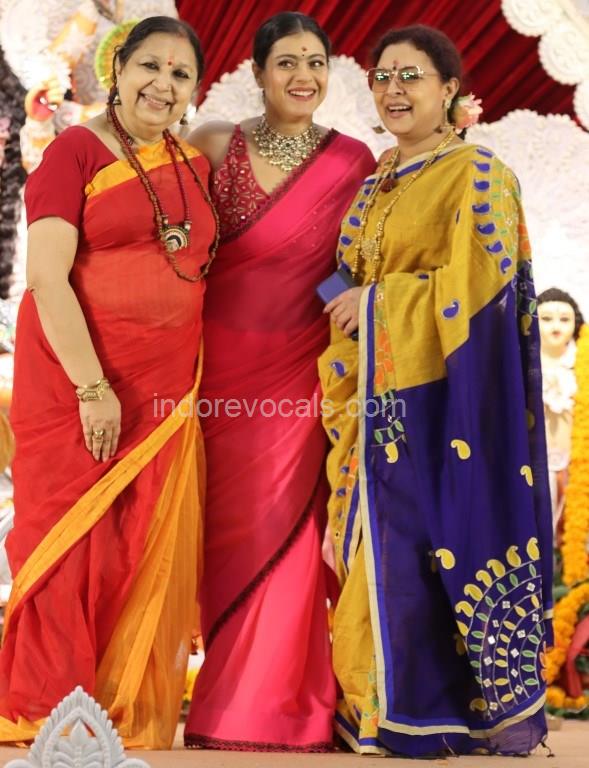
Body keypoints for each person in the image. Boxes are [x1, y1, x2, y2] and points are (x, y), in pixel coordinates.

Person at [319, 24, 553, 756]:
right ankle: (372, 706)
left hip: (445, 399)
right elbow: (348, 275)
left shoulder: (479, 174)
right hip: (373, 391)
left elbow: (482, 290)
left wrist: (379, 304)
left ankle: (429, 710)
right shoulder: (376, 179)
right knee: (374, 548)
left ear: (449, 88)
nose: (393, 90)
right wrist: (348, 305)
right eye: (382, 77)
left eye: (411, 76)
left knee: (429, 546)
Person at [0, 16, 216, 749]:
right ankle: (50, 706)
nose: (163, 84)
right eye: (149, 65)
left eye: (180, 74)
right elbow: (46, 277)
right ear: (117, 69)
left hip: (167, 388)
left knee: (135, 541)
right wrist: (93, 388)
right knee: (69, 543)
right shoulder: (76, 151)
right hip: (79, 383)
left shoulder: (193, 162)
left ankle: (117, 704)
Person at [183, 11, 374, 752]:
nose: (303, 75)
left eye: (316, 62)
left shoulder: (352, 160)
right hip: (208, 369)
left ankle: (274, 705)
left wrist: (346, 311)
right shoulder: (212, 144)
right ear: (258, 72)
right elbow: (169, 235)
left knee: (283, 527)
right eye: (287, 62)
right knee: (216, 531)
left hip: (298, 371)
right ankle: (218, 685)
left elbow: (357, 263)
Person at [537, 288, 585, 529]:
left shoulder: (583, 363)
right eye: (546, 319)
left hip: (577, 461)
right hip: (536, 460)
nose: (556, 326)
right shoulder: (523, 363)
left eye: (564, 319)